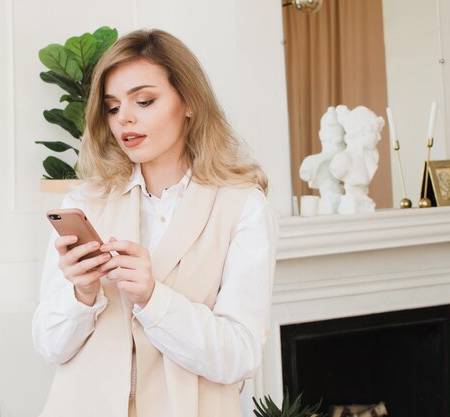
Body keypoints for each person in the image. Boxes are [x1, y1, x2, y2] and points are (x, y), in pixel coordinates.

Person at [32, 28, 278, 417]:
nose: (125, 118)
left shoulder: (241, 205)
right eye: (112, 108)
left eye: (144, 101)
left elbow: (240, 355)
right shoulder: (84, 202)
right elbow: (50, 346)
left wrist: (152, 297)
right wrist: (82, 294)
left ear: (190, 103)